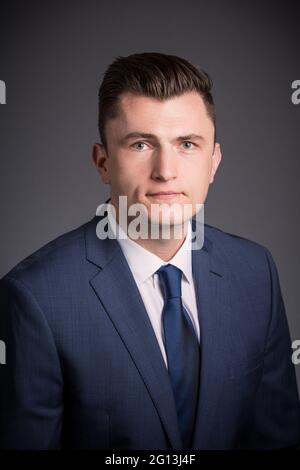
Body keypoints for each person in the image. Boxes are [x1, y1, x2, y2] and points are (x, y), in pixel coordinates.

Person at [0, 52, 300, 450]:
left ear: (214, 162)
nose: (166, 170)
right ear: (103, 162)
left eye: (187, 144)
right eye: (141, 144)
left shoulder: (255, 272)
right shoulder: (36, 297)